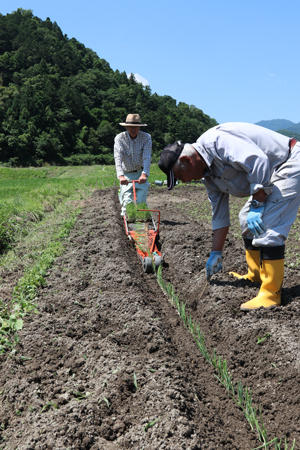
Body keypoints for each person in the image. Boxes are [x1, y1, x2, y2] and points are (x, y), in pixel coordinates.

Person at [158, 122, 300, 311]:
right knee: (245, 220)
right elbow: (219, 214)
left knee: (267, 225)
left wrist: (257, 205)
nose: (185, 181)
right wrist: (216, 252)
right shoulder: (208, 177)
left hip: (288, 163)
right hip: (269, 176)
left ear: (187, 160)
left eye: (181, 176)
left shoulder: (217, 142)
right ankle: (255, 274)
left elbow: (258, 161)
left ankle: (271, 294)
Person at [114, 113, 152, 215]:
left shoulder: (146, 138)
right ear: (126, 127)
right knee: (128, 202)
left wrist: (144, 174)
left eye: (135, 127)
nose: (133, 129)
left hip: (140, 172)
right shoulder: (120, 138)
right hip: (126, 173)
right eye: (130, 127)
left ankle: (142, 219)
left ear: (139, 127)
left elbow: (147, 157)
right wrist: (121, 176)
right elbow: (118, 158)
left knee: (140, 201)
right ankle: (128, 218)